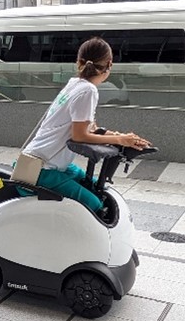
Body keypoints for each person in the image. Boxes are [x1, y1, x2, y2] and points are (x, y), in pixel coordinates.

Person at [23, 36, 151, 214]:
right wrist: (121, 139)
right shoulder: (88, 90)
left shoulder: (75, 84)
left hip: (40, 161)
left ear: (79, 61)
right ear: (109, 65)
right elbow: (79, 135)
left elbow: (89, 128)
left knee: (93, 185)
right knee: (96, 205)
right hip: (42, 169)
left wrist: (121, 137)